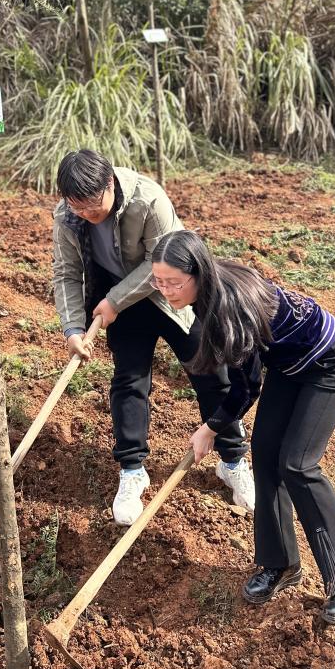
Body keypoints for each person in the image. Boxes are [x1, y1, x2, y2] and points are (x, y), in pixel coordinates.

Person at [151, 229, 335, 625]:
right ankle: (280, 564)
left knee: (298, 464)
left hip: (328, 364)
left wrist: (211, 427)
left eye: (173, 282)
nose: (166, 291)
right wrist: (214, 425)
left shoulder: (228, 306)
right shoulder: (206, 297)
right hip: (289, 367)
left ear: (198, 274)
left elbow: (246, 386)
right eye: (159, 281)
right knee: (267, 455)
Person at [52, 149, 256, 526]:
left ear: (110, 183)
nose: (86, 215)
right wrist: (74, 328)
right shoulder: (68, 216)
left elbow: (157, 267)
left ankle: (232, 461)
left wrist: (112, 301)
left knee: (212, 374)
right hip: (122, 306)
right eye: (77, 207)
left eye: (93, 207)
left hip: (173, 296)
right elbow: (66, 273)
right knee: (129, 381)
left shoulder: (148, 199)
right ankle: (132, 471)